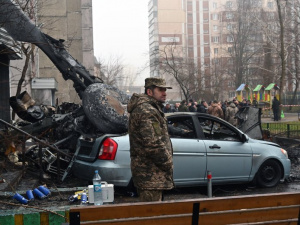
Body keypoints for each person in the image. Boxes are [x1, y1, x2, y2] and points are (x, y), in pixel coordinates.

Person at [127, 77, 174, 202]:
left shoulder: (151, 109)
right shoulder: (147, 111)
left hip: (152, 175)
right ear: (149, 92)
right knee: (152, 217)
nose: (164, 93)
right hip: (150, 175)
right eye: (160, 90)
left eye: (165, 90)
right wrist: (168, 163)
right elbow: (153, 143)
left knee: (155, 215)